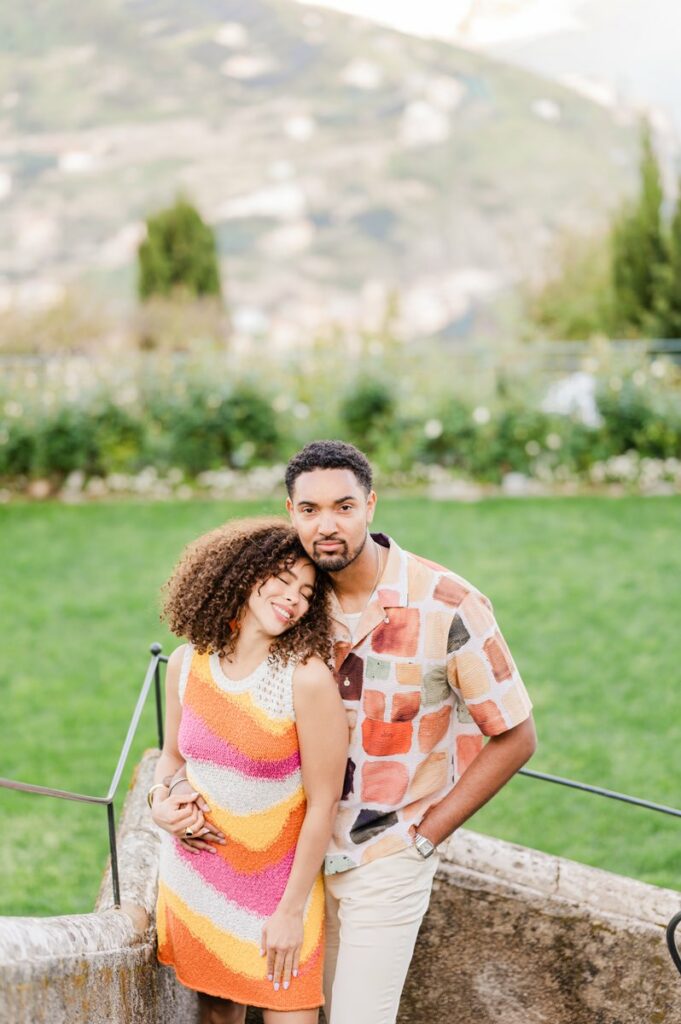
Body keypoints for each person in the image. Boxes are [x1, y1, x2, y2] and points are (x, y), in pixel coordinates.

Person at [283, 440, 537, 1024]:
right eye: (311, 509)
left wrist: (426, 836)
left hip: (387, 855)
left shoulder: (448, 605)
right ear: (291, 512)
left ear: (370, 506)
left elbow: (516, 736)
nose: (328, 525)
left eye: (344, 507)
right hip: (296, 855)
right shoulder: (290, 599)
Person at [148, 516, 348, 1024]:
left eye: (306, 591)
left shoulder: (305, 679)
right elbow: (172, 759)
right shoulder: (186, 663)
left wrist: (290, 912)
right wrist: (161, 804)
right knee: (218, 1013)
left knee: (293, 1012)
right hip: (199, 879)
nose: (294, 598)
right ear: (239, 574)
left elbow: (324, 803)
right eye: (282, 578)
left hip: (283, 890)